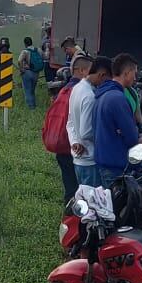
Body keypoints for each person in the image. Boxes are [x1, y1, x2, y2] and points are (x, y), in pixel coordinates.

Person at [91, 56, 140, 188]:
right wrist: (140, 141)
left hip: (103, 162)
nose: (135, 78)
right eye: (134, 73)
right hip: (117, 166)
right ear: (126, 73)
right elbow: (131, 137)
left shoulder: (101, 95)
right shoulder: (118, 99)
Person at [46, 62, 86, 201]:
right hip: (74, 146)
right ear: (82, 71)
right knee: (79, 187)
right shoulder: (81, 92)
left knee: (69, 183)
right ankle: (75, 216)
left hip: (61, 144)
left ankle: (69, 214)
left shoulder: (63, 90)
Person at [67, 58, 101, 186]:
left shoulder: (76, 89)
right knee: (92, 202)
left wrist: (74, 141)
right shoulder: (90, 96)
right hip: (90, 158)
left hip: (78, 157)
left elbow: (69, 122)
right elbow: (86, 132)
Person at [17, 36, 43, 110]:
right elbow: (43, 57)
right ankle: (34, 104)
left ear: (25, 44)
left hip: (27, 72)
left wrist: (22, 69)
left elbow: (19, 61)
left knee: (27, 90)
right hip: (36, 73)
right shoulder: (38, 50)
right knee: (32, 90)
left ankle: (31, 107)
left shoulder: (25, 51)